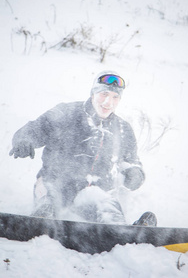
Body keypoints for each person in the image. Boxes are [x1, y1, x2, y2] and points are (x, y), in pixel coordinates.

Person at [9, 71, 157, 226]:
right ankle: (40, 223)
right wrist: (24, 140)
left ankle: (127, 234)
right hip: (55, 183)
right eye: (104, 94)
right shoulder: (65, 113)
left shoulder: (122, 129)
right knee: (48, 202)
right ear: (93, 93)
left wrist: (134, 173)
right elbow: (34, 129)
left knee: (108, 208)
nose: (108, 102)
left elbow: (131, 161)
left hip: (93, 192)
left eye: (115, 97)